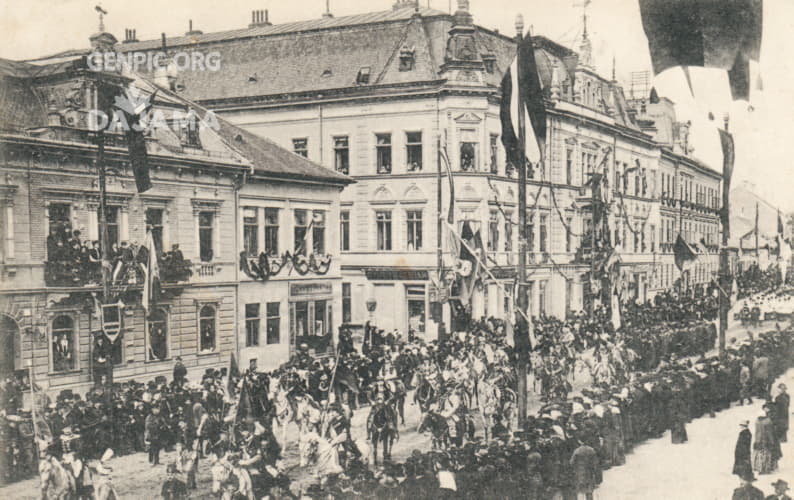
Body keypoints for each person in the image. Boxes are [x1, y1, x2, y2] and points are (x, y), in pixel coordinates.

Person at [754, 404, 782, 474]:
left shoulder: (760, 421)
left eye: (766, 408)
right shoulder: (767, 420)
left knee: (767, 454)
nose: (765, 410)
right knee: (769, 453)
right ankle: (769, 467)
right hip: (769, 439)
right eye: (764, 409)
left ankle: (766, 467)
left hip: (767, 439)